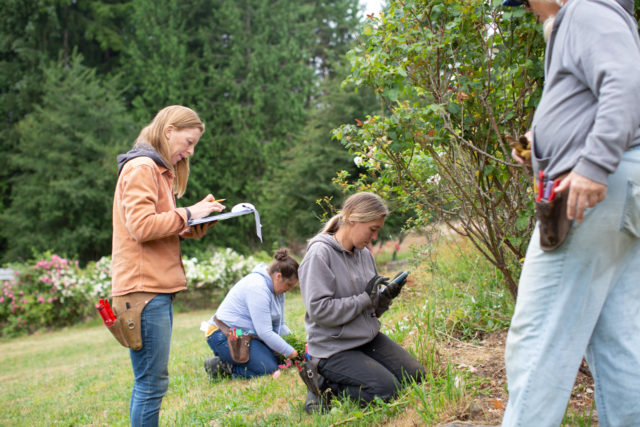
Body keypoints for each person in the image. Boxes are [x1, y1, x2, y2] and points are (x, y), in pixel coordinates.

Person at [502, 1, 640, 425]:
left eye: (527, 2)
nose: (530, 10)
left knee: (538, 338)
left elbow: (626, 81)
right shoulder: (592, 16)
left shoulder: (585, 11)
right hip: (616, 194)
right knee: (617, 340)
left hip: (590, 197)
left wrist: (593, 164)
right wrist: (537, 141)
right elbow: (590, 101)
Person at [111, 105, 226, 427]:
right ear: (169, 131)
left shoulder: (154, 169)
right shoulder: (142, 167)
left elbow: (154, 226)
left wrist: (193, 226)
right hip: (143, 291)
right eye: (188, 143)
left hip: (150, 289)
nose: (189, 152)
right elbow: (142, 227)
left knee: (150, 383)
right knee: (151, 384)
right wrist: (189, 212)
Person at [299, 192, 425, 413]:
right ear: (352, 219)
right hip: (333, 348)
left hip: (364, 339)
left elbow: (369, 310)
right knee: (387, 390)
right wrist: (364, 298)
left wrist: (384, 298)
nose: (374, 237)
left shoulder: (364, 254)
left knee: (415, 376)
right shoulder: (320, 254)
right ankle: (326, 387)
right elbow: (320, 310)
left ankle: (349, 378)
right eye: (373, 229)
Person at [203, 249, 300, 379]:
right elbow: (265, 332)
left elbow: (280, 325)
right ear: (278, 276)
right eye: (289, 285)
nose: (289, 289)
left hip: (247, 334)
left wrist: (295, 344)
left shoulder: (278, 290)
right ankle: (223, 367)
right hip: (226, 333)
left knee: (281, 359)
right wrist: (292, 353)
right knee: (268, 369)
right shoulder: (258, 289)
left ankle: (240, 360)